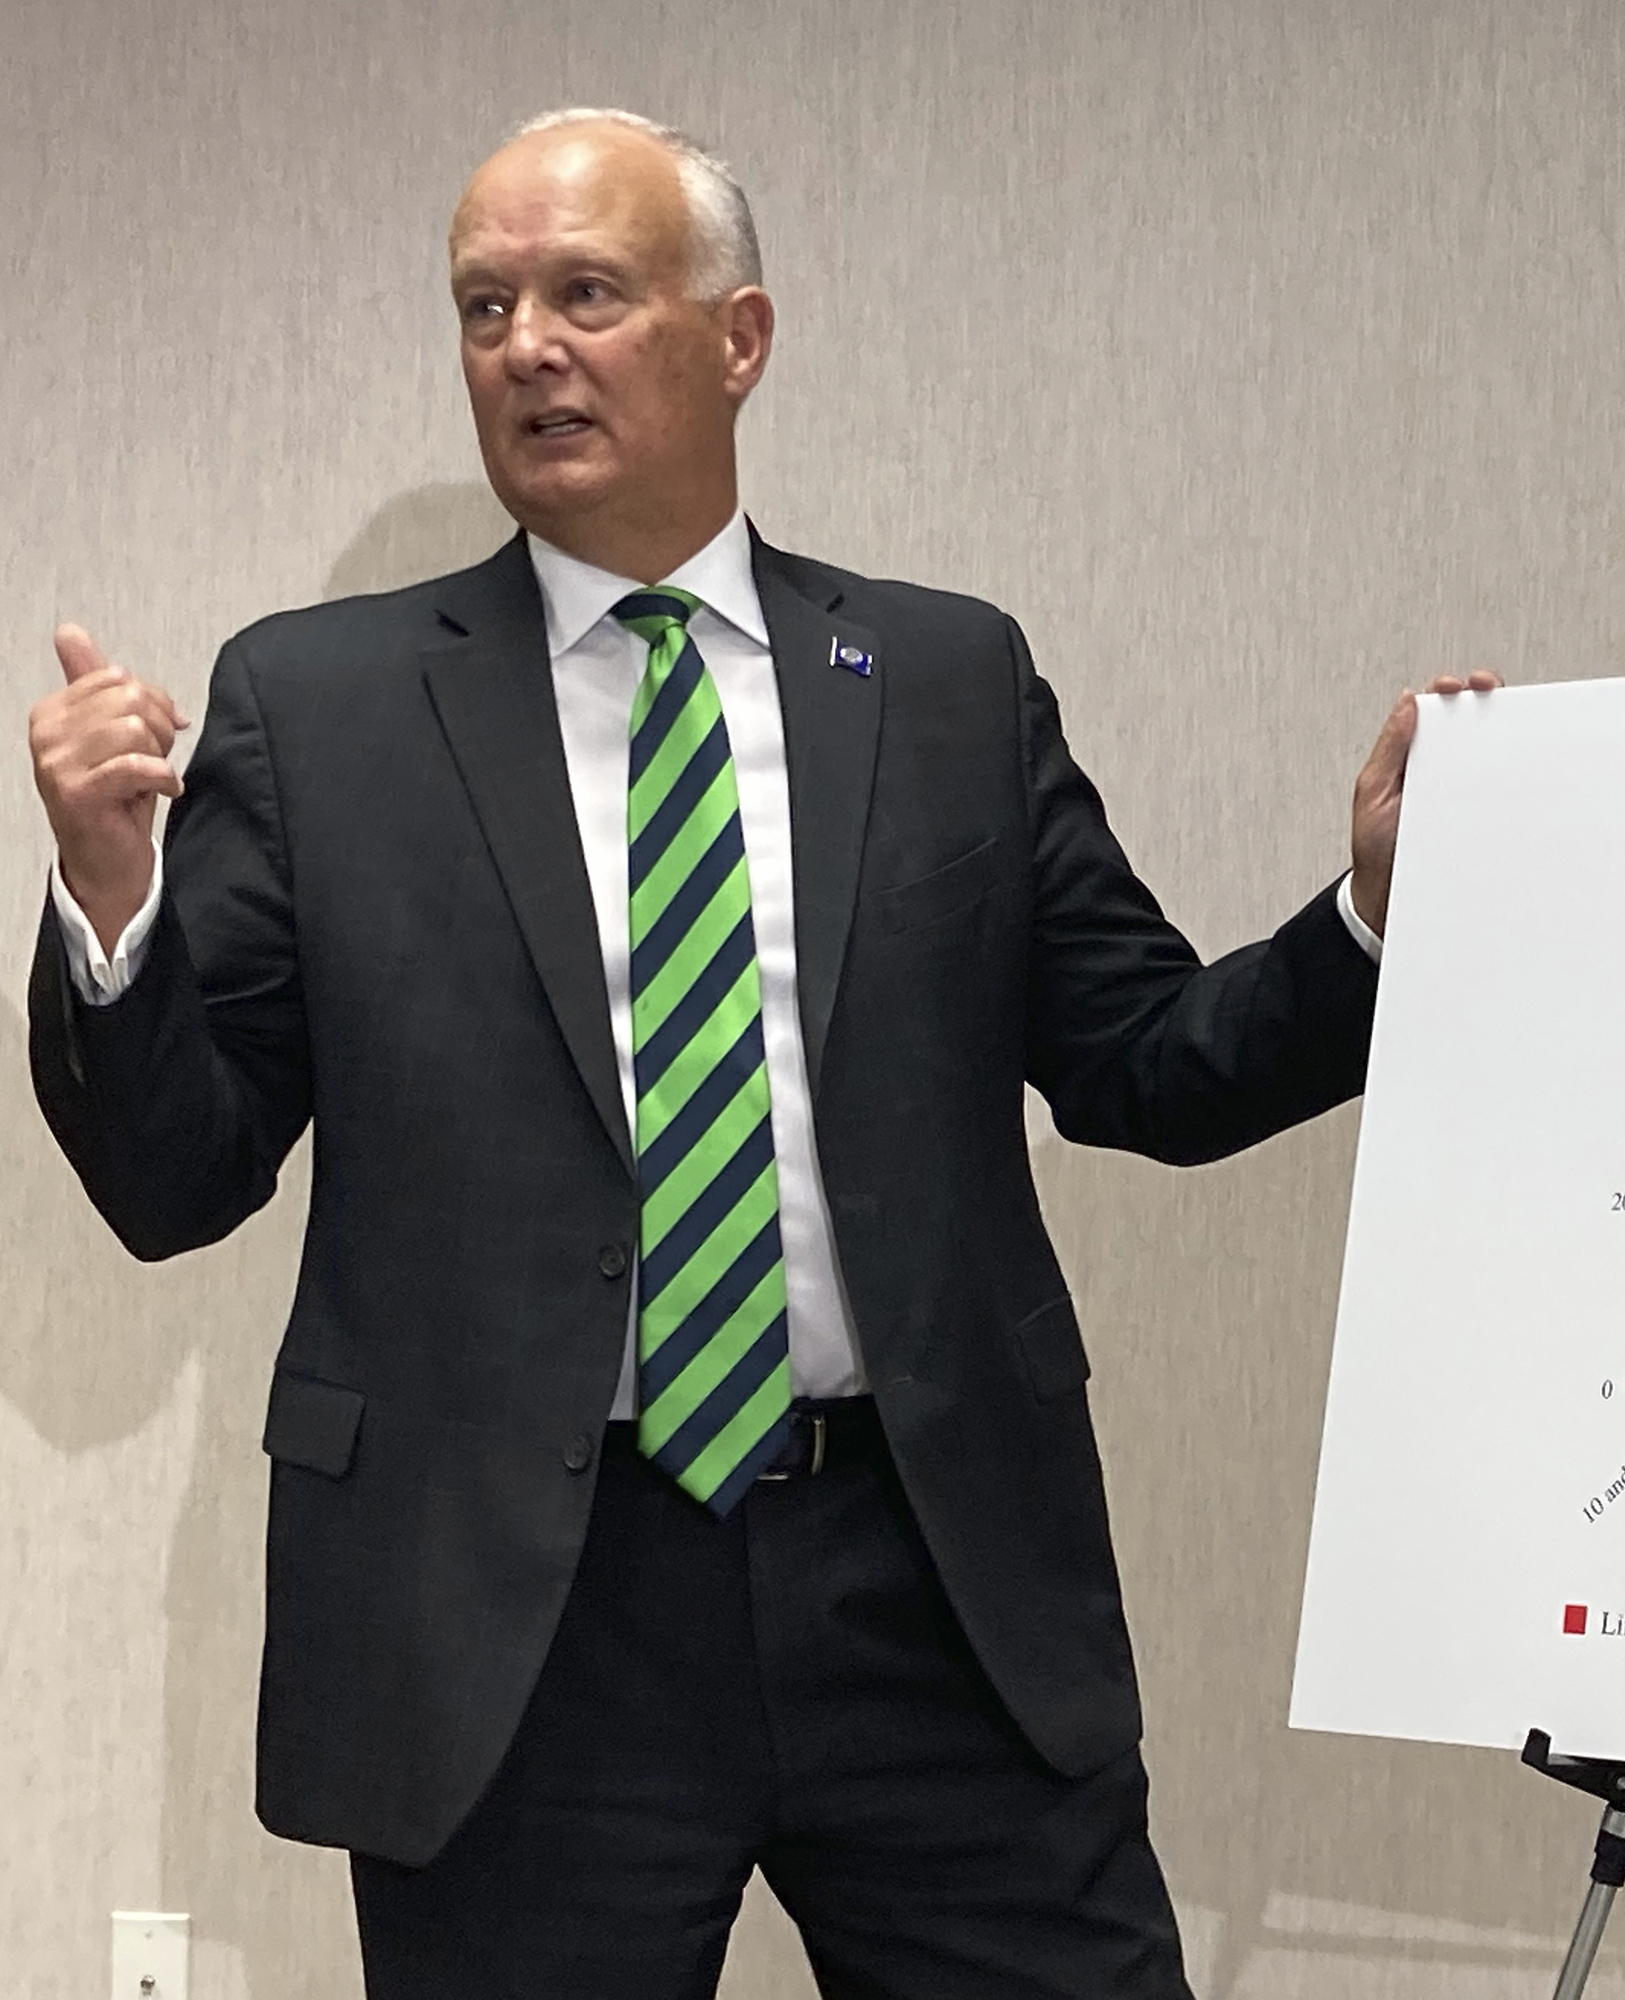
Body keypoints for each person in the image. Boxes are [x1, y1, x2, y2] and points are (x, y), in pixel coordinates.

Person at [23, 106, 1486, 1998]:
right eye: (483, 307)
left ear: (740, 337)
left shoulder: (947, 678)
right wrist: (110, 902)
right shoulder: (319, 708)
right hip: (524, 1615)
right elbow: (171, 1179)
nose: (525, 346)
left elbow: (1151, 1061)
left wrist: (1370, 912)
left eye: (586, 294)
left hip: (927, 1571)